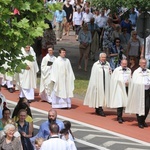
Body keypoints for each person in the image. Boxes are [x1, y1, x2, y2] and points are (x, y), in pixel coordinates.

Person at [126, 58, 150, 128]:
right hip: (139, 92)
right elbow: (134, 82)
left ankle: (143, 120)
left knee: (147, 107)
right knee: (139, 107)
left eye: (145, 63)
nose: (144, 64)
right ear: (139, 64)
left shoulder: (148, 71)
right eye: (142, 63)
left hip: (147, 91)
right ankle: (140, 122)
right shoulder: (136, 72)